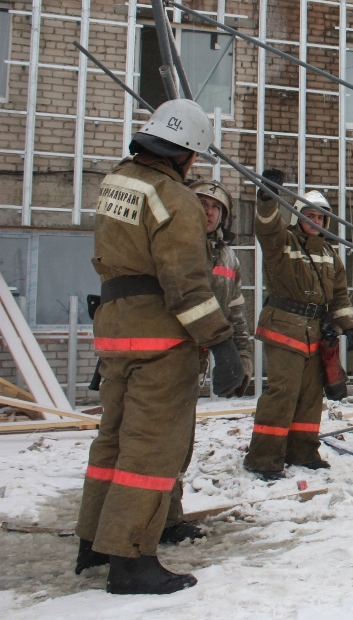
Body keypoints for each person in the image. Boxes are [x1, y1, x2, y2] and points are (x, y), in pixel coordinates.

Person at [75, 99, 244, 594]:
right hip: (159, 337)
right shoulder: (173, 197)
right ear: (188, 155)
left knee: (113, 439)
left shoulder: (117, 182)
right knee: (150, 450)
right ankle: (130, 560)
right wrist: (222, 345)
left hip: (116, 329)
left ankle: (94, 541)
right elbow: (186, 283)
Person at [244, 175, 353, 479]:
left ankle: (303, 451)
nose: (316, 220)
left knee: (310, 397)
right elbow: (266, 228)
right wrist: (268, 198)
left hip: (315, 332)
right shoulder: (283, 243)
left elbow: (341, 295)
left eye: (320, 216)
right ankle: (264, 458)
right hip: (284, 329)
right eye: (309, 215)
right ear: (297, 217)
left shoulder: (331, 254)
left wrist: (348, 325)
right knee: (283, 393)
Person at [159, 179, 254, 545]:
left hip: (196, 361)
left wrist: (242, 358)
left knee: (180, 442)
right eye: (201, 203)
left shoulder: (228, 258)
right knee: (161, 443)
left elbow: (235, 311)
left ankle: (169, 517)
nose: (208, 211)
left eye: (216, 207)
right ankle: (151, 522)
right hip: (168, 355)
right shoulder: (178, 246)